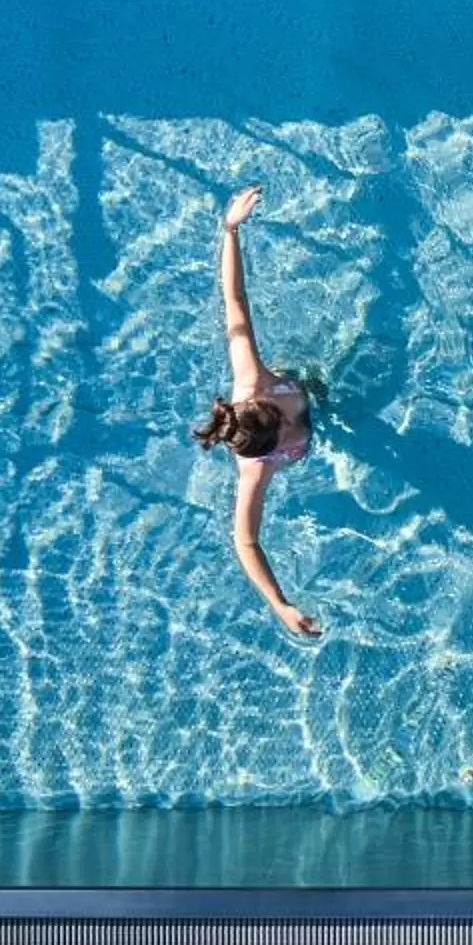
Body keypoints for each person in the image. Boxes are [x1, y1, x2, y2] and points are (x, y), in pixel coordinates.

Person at [195, 186, 324, 637]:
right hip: (321, 440)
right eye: (289, 435)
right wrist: (282, 605)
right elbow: (246, 541)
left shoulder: (253, 378)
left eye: (284, 418)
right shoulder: (257, 470)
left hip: (315, 388)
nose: (294, 427)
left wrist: (230, 230)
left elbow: (235, 302)